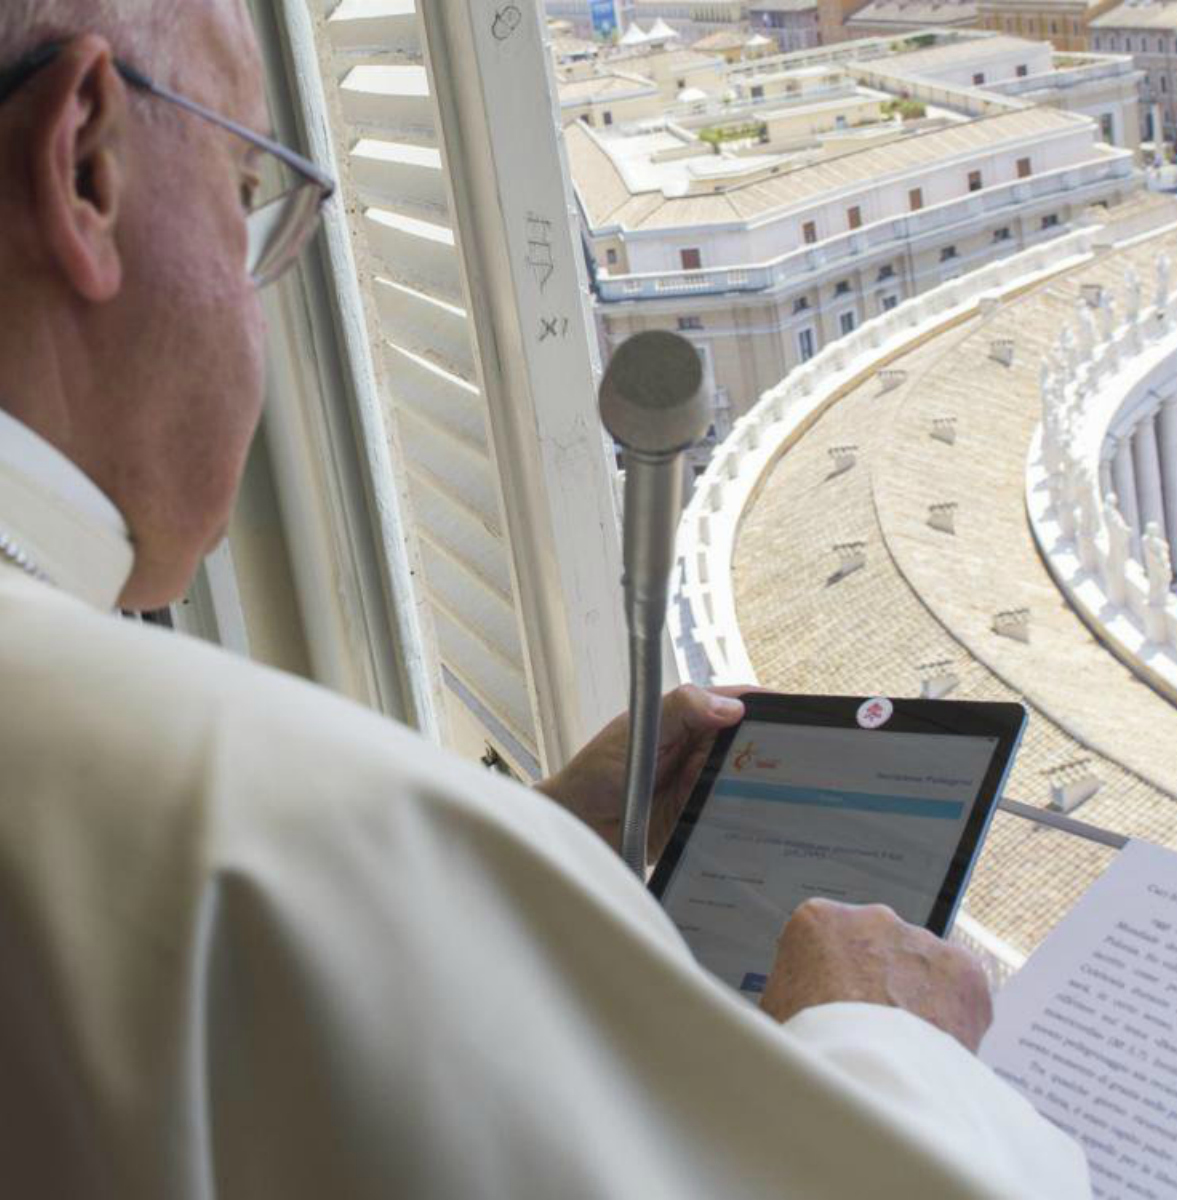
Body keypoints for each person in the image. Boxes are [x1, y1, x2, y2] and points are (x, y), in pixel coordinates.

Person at [0, 2, 1090, 1196]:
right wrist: (892, 1047)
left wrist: (540, 848)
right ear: (86, 164)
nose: (262, 303)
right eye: (247, 193)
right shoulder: (243, 825)